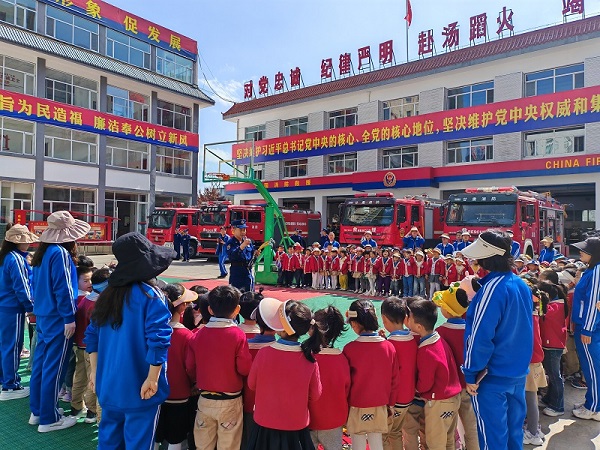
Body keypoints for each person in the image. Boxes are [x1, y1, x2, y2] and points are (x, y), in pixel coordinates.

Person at [85, 232, 174, 448]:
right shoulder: (151, 296)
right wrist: (153, 379)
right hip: (140, 386)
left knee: (108, 440)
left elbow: (92, 337)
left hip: (109, 385)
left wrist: (95, 373)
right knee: (139, 443)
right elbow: (158, 340)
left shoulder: (107, 295)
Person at [461, 230, 533, 450]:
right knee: (513, 434)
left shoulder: (491, 289)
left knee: (492, 438)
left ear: (487, 257)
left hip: (491, 377)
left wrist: (471, 372)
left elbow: (479, 335)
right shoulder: (520, 284)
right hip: (518, 372)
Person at [29, 211, 90, 432]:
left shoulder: (42, 254)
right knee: (54, 368)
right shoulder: (60, 254)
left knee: (42, 365)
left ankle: (38, 411)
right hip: (58, 317)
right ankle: (49, 417)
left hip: (44, 315)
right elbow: (63, 288)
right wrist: (68, 318)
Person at [246, 299, 323, 450]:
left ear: (282, 326)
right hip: (296, 427)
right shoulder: (309, 359)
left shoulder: (264, 354)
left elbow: (251, 384)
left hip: (265, 425)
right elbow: (315, 395)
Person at [185, 285, 252, 449]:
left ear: (210, 309)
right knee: (228, 445)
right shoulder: (237, 335)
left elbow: (190, 367)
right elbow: (244, 368)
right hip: (230, 399)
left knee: (203, 444)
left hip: (205, 398)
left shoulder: (197, 335)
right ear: (237, 310)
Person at [406, 298, 461, 450]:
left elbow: (426, 383)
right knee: (448, 440)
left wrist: (417, 389)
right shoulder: (438, 339)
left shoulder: (426, 350)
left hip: (439, 402)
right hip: (453, 398)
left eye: (408, 317)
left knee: (435, 443)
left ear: (418, 326)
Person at [343, 299, 399, 450]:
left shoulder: (349, 349)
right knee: (377, 442)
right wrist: (391, 404)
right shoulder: (389, 347)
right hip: (380, 404)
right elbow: (394, 380)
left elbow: (346, 382)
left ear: (355, 324)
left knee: (358, 443)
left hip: (356, 404)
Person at [433, 286, 479, 450]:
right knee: (471, 425)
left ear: (447, 310)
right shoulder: (472, 330)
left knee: (450, 429)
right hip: (469, 385)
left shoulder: (440, 332)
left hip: (450, 389)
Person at [155, 283, 197, 450]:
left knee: (154, 435)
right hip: (179, 391)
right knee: (176, 437)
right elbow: (191, 366)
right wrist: (194, 382)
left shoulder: (153, 329)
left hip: (154, 390)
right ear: (182, 307)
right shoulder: (186, 335)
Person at [0, 225, 37, 400]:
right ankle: (10, 385)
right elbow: (22, 288)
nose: (28, 243)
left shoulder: (6, 257)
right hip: (12, 308)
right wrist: (30, 308)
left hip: (4, 306)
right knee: (13, 347)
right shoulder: (16, 259)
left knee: (5, 345)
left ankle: (5, 381)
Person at [70, 268, 110, 425]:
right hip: (92, 349)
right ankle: (92, 411)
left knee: (79, 376)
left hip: (79, 345)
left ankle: (76, 406)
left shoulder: (84, 301)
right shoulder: (97, 305)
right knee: (93, 379)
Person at [309, 306, 349, 450]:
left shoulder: (306, 357)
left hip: (308, 419)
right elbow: (346, 390)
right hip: (334, 420)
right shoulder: (342, 359)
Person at [380, 297, 417, 450]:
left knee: (389, 434)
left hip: (396, 399)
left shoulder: (390, 345)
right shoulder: (413, 338)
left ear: (384, 318)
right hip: (409, 395)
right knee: (399, 431)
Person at [570, 237, 600, 421]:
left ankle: (595, 407)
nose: (580, 252)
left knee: (593, 369)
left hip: (589, 328)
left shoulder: (597, 270)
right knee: (590, 367)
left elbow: (592, 303)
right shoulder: (591, 270)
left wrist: (587, 329)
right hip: (586, 326)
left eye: (584, 250)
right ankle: (591, 401)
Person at [538, 280, 568, 418]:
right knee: (552, 374)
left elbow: (544, 317)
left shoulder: (555, 307)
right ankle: (549, 399)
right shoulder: (556, 305)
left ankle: (558, 406)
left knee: (555, 376)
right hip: (551, 344)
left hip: (553, 346)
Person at [226, 219, 255, 292]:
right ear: (234, 230)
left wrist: (255, 254)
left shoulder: (248, 241)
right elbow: (232, 256)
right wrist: (242, 246)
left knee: (249, 293)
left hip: (247, 271)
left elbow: (251, 256)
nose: (243, 232)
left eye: (244, 230)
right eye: (241, 230)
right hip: (237, 271)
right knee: (236, 292)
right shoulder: (231, 243)